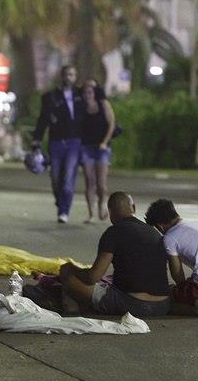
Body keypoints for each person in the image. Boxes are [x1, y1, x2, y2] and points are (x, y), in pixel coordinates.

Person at [58, 191, 171, 317]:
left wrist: (71, 268)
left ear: (110, 213)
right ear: (133, 208)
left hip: (131, 306)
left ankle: (73, 313)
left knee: (69, 279)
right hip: (162, 306)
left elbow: (93, 277)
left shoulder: (113, 232)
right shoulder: (153, 232)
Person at [32, 65, 84, 223]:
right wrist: (37, 139)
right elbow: (43, 119)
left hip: (74, 142)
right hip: (56, 142)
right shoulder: (51, 96)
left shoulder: (81, 95)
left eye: (72, 74)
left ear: (76, 77)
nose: (69, 77)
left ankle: (64, 211)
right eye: (67, 74)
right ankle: (60, 200)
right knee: (55, 177)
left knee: (68, 177)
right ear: (62, 76)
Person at [78, 80, 115, 223]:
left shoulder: (103, 104)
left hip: (102, 148)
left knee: (101, 183)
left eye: (90, 92)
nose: (87, 95)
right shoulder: (80, 107)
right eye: (85, 92)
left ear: (94, 93)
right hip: (86, 147)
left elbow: (111, 123)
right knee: (89, 180)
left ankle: (101, 205)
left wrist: (105, 142)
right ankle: (90, 213)